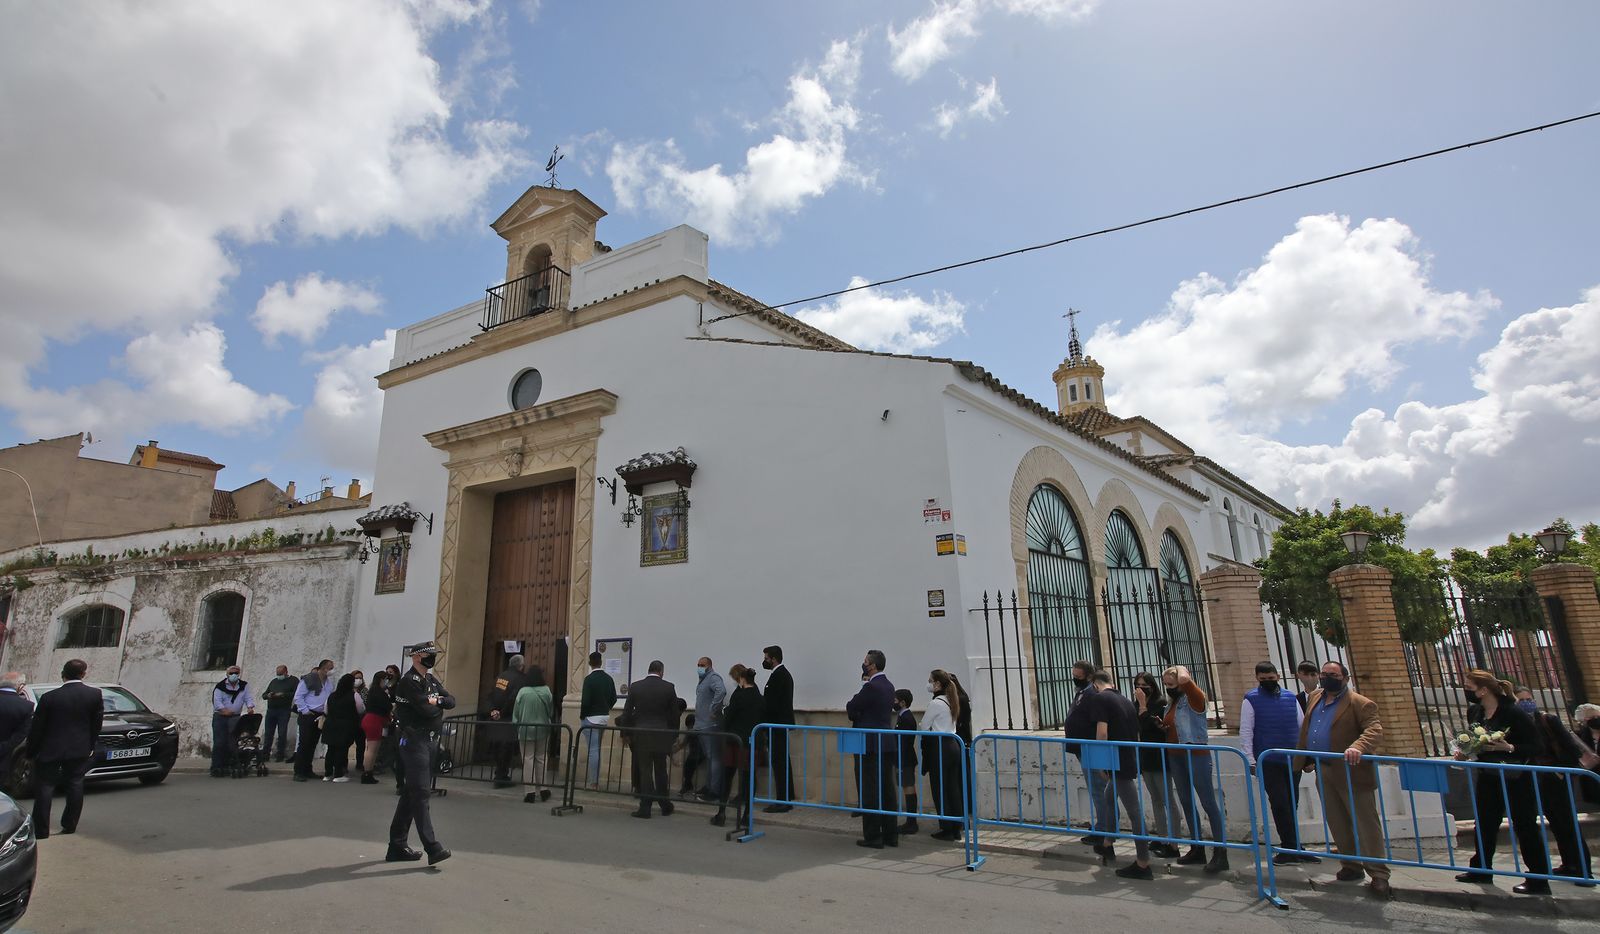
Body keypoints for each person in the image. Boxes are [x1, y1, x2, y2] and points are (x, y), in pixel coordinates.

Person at [1452, 670, 1551, 894]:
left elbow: (1537, 746)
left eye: (1469, 687)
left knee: (1524, 824)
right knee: (1485, 822)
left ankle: (1538, 877)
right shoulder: (1475, 711)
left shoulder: (1513, 712)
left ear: (1484, 689)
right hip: (1489, 775)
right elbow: (1474, 740)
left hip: (1516, 777)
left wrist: (1508, 747)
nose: (1467, 690)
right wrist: (1465, 751)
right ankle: (1481, 868)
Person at [1296, 661, 1389, 898]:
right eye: (1324, 674)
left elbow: (1374, 730)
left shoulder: (1360, 703)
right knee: (1337, 820)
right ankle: (1350, 865)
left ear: (1345, 678)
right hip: (1322, 768)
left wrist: (1358, 746)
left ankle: (1378, 874)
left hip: (1350, 771)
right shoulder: (1315, 697)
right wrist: (1305, 757)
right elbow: (1310, 729)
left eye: (1333, 675)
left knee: (1364, 822)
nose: (1327, 678)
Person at [1515, 687, 1593, 884]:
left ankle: (1584, 871)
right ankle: (1569, 864)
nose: (1526, 703)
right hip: (1536, 778)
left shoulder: (1547, 720)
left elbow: (1572, 749)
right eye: (1521, 700)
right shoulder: (1520, 724)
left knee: (1567, 823)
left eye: (1528, 699)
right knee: (1556, 823)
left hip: (1555, 777)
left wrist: (1559, 771)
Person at [1080, 670, 1152, 879]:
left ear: (1094, 684)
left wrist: (1101, 763)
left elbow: (1102, 733)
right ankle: (1107, 843)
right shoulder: (1124, 699)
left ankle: (1143, 862)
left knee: (1134, 811)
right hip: (1128, 757)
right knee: (1108, 797)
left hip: (1116, 761)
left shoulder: (1101, 699)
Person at [1240, 661, 1315, 864]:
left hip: (1292, 760)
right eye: (1263, 680)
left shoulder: (1291, 698)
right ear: (1257, 679)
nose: (1267, 682)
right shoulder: (1251, 699)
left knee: (1292, 802)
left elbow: (1302, 727)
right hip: (1268, 760)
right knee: (1280, 802)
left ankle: (1294, 845)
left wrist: (1308, 757)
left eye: (1271, 679)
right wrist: (1250, 759)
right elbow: (1246, 731)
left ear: (1278, 677)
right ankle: (1289, 846)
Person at [388, 642, 455, 865]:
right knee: (421, 793)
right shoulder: (409, 681)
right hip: (414, 740)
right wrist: (437, 703)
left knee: (411, 793)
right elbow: (426, 711)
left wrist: (435, 701)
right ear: (417, 657)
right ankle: (432, 847)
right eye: (429, 655)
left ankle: (396, 846)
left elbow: (451, 701)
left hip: (429, 741)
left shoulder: (430, 680)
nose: (432, 658)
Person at [26, 659, 102, 838]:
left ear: (63, 674)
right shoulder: (94, 695)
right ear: (83, 674)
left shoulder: (49, 697)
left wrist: (31, 751)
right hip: (79, 749)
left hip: (50, 749)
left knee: (45, 787)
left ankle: (41, 830)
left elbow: (38, 727)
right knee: (75, 785)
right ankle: (69, 825)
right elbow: (96, 724)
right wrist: (90, 745)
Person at [1161, 665, 1228, 873]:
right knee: (1186, 800)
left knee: (1207, 801)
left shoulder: (1194, 698)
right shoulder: (1173, 703)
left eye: (1170, 683)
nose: (1168, 687)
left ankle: (1220, 852)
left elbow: (1184, 681)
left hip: (1195, 754)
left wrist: (1179, 669)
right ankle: (1197, 847)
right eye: (1165, 684)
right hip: (1176, 755)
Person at [846, 649, 898, 849]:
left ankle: (873, 836)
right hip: (885, 742)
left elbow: (852, 706)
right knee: (887, 790)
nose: (863, 663)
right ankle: (891, 834)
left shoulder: (871, 687)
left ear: (872, 665)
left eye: (866, 661)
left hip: (869, 743)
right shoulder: (889, 685)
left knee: (870, 791)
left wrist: (855, 706)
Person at [1131, 672, 1181, 859]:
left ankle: (1175, 842)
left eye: (1145, 684)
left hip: (1159, 757)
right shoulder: (1136, 705)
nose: (1141, 688)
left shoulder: (1160, 704)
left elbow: (1150, 727)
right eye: (1138, 684)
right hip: (1145, 757)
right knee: (1156, 800)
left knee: (1168, 799)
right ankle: (1162, 837)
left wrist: (1143, 705)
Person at [622, 660, 680, 818]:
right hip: (661, 734)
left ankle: (645, 807)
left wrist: (625, 733)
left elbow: (626, 713)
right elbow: (674, 715)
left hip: (641, 734)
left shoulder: (635, 687)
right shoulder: (669, 687)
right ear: (661, 671)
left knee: (645, 770)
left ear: (649, 670)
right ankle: (665, 804)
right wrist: (673, 735)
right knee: (661, 770)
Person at [713, 663, 763, 830]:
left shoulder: (739, 696)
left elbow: (729, 716)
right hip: (752, 741)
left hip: (735, 741)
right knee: (749, 778)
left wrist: (725, 716)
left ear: (742, 679)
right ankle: (747, 814)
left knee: (728, 777)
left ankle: (721, 812)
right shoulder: (758, 696)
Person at [1063, 660, 1105, 846]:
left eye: (1078, 677)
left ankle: (1104, 828)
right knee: (1095, 789)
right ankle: (1102, 825)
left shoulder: (1093, 694)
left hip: (1091, 747)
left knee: (1098, 789)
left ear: (1089, 676)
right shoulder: (1083, 692)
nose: (1075, 679)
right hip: (1082, 748)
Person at [920, 670, 962, 842]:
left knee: (939, 788)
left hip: (939, 746)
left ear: (937, 684)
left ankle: (946, 827)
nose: (928, 684)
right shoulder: (951, 700)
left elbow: (924, 726)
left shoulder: (936, 703)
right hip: (953, 744)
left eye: (930, 680)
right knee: (953, 786)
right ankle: (956, 825)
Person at [761, 645, 796, 813]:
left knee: (779, 763)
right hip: (778, 725)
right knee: (782, 762)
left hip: (777, 725)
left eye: (766, 658)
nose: (765, 661)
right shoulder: (781, 675)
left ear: (774, 659)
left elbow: (772, 703)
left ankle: (783, 800)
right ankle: (786, 797)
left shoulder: (779, 676)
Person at [486, 654, 528, 789]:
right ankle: (501, 777)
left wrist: (493, 710)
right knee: (506, 748)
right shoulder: (520, 678)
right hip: (508, 718)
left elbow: (491, 694)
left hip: (497, 717)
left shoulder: (500, 676)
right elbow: (513, 698)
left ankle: (499, 774)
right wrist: (502, 712)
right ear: (521, 666)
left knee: (498, 747)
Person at [514, 665, 555, 800]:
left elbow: (517, 713)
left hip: (525, 729)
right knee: (542, 758)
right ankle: (543, 788)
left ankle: (530, 791)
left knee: (528, 759)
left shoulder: (522, 692)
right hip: (542, 728)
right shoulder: (546, 691)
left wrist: (517, 724)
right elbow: (550, 710)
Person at [292, 659, 336, 782]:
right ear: (323, 668)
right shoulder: (309, 679)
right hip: (308, 714)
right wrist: (305, 710)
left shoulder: (328, 682)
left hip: (320, 715)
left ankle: (307, 769)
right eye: (330, 667)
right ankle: (299, 771)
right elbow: (298, 696)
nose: (332, 670)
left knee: (312, 744)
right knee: (304, 743)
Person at [580, 651, 617, 790]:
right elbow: (614, 698)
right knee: (597, 749)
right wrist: (606, 708)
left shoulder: (589, 680)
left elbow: (585, 702)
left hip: (590, 718)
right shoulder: (609, 679)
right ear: (601, 662)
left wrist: (583, 716)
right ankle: (595, 781)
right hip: (603, 718)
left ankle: (594, 782)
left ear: (590, 663)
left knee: (593, 750)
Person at [210, 665, 256, 777]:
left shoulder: (243, 686)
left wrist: (250, 707)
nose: (234, 675)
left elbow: (248, 697)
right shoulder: (220, 687)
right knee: (220, 743)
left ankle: (229, 765)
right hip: (221, 717)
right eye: (231, 673)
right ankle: (216, 767)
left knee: (232, 742)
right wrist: (224, 710)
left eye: (236, 673)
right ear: (227, 674)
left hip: (235, 717)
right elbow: (217, 701)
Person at [693, 656, 728, 802]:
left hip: (710, 725)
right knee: (710, 758)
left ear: (709, 666)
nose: (700, 667)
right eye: (698, 664)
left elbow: (721, 691)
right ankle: (708, 786)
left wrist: (713, 709)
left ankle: (714, 791)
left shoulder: (713, 677)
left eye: (702, 665)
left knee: (714, 758)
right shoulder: (704, 679)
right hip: (702, 724)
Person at [322, 673, 361, 783]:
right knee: (341, 749)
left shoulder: (332, 695)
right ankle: (338, 774)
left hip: (331, 724)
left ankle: (328, 774)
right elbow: (361, 708)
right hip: (346, 725)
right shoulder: (354, 695)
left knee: (331, 749)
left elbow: (326, 710)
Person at [892, 689, 920, 835]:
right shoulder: (903, 716)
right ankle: (911, 821)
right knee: (906, 787)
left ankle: (911, 822)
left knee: (908, 787)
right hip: (904, 758)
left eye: (895, 700)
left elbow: (903, 743)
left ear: (902, 702)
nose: (893, 702)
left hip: (905, 759)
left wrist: (899, 762)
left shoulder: (907, 718)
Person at [359, 670, 394, 784]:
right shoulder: (378, 692)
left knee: (372, 748)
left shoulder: (374, 691)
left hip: (371, 719)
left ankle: (368, 771)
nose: (387, 682)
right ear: (381, 680)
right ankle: (367, 773)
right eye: (386, 679)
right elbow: (387, 705)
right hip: (374, 720)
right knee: (372, 749)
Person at [261, 665, 299, 762]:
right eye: (277, 674)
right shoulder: (274, 681)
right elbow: (264, 695)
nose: (279, 676)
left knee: (282, 733)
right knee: (269, 733)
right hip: (271, 710)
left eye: (280, 674)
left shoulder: (293, 680)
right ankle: (265, 754)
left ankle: (280, 754)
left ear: (286, 672)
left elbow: (296, 693)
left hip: (283, 710)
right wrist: (269, 695)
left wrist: (283, 694)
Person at [0, 674, 34, 781]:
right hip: (5, 752)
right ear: (18, 687)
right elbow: (23, 732)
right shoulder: (27, 706)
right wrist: (7, 745)